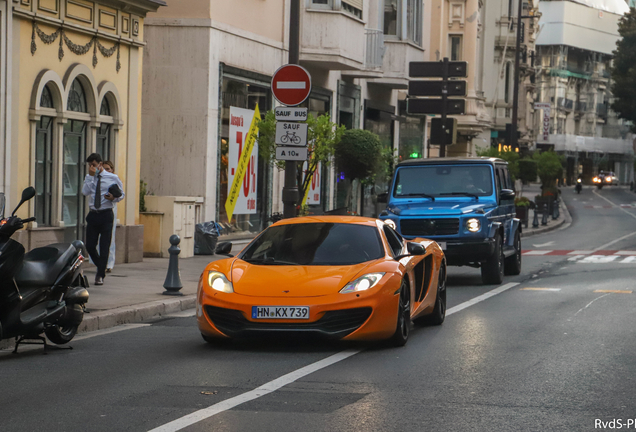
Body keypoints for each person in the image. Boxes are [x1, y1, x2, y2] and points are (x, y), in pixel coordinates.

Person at [82, 153, 125, 285]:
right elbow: (85, 192)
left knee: (104, 245)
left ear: (100, 164)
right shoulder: (90, 177)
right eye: (89, 165)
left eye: (93, 165)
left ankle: (100, 275)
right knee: (89, 245)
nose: (91, 167)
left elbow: (121, 194)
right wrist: (90, 177)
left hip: (106, 214)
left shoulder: (112, 177)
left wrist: (114, 198)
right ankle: (101, 265)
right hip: (93, 214)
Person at [103, 161, 117, 272]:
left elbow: (119, 195)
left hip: (111, 208)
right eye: (104, 169)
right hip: (100, 210)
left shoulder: (114, 180)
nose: (106, 171)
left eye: (108, 169)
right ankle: (102, 261)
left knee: (110, 236)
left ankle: (109, 264)